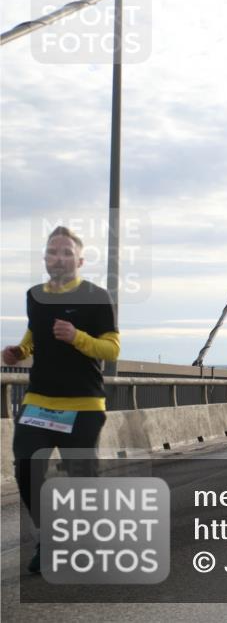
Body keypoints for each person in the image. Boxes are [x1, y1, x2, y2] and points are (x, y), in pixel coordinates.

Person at [3, 226, 120, 575]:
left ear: (79, 260)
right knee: (25, 466)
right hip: (39, 400)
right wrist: (20, 351)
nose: (59, 257)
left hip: (83, 404)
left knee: (80, 476)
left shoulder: (97, 296)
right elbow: (34, 332)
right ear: (45, 258)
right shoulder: (34, 295)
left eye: (67, 252)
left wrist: (77, 337)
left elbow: (112, 348)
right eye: (53, 251)